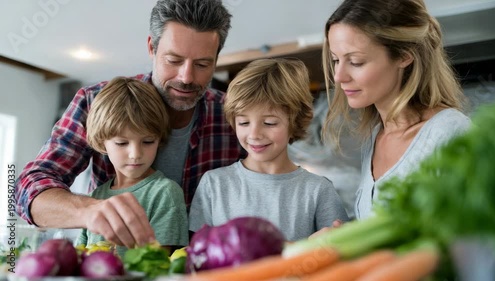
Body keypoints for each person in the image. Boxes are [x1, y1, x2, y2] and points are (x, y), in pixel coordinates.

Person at [15, 0, 245, 248]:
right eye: (173, 60)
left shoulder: (235, 116)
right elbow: (29, 188)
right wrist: (90, 211)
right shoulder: (95, 102)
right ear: (151, 48)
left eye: (202, 64)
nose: (186, 77)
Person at [321, 0, 471, 219]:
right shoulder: (376, 137)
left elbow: (478, 245)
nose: (339, 76)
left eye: (356, 61)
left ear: (404, 56)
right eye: (335, 60)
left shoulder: (450, 134)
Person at [189, 58, 349, 241]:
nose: (254, 134)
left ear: (294, 122)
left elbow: (339, 250)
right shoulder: (213, 184)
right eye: (244, 123)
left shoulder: (318, 190)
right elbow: (198, 253)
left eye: (269, 123)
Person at [75, 77, 188, 258]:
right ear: (102, 143)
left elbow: (156, 265)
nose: (135, 154)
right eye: (121, 143)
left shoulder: (165, 192)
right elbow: (79, 258)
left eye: (148, 141)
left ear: (159, 140)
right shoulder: (96, 196)